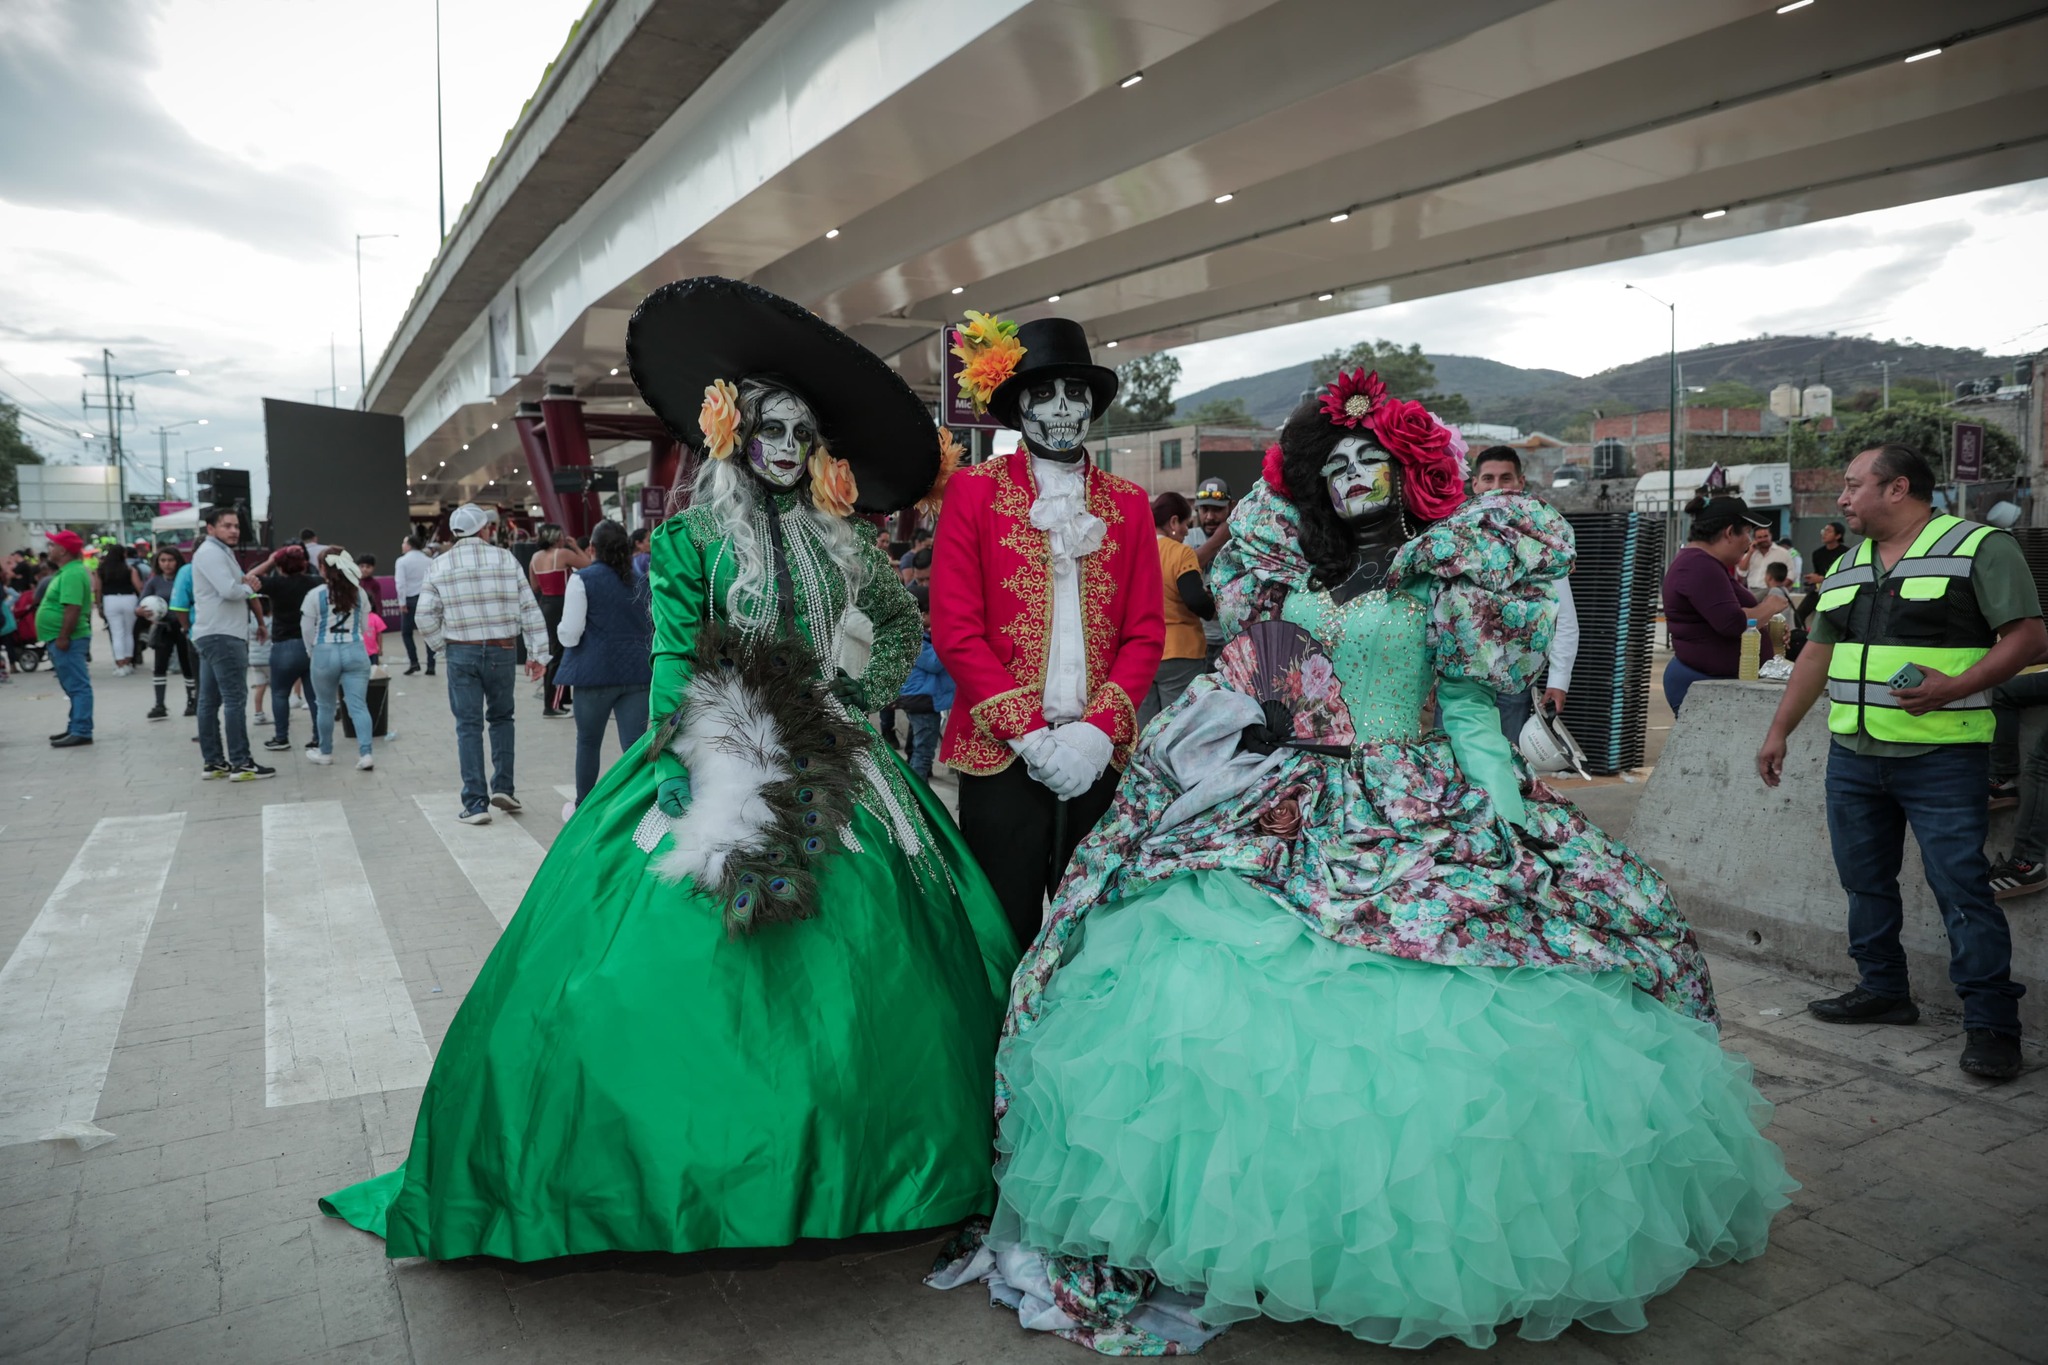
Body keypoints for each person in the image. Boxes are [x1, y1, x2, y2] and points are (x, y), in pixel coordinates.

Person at [934, 371, 1792, 1351]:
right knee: (1189, 967)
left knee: (1473, 1002)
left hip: (1421, 797)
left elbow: (1470, 711)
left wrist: (1501, 810)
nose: (1349, 475)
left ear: (1408, 471)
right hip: (1294, 800)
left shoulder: (1447, 585)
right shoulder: (1289, 581)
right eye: (1332, 463)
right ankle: (1237, 1231)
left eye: (1368, 459)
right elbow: (1262, 695)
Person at [320, 274, 1016, 1265]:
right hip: (721, 753)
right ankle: (679, 1178)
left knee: (883, 972)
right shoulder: (691, 539)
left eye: (799, 433)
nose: (784, 447)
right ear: (735, 437)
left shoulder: (845, 540)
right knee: (648, 970)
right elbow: (674, 650)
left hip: (842, 770)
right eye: (768, 429)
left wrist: (855, 698)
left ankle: (868, 1170)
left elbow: (899, 620)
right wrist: (680, 747)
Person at [1757, 443, 2040, 1081]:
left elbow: (2028, 636)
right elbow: (1816, 655)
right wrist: (1779, 731)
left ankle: (1993, 1024)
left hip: (1941, 754)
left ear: (1897, 488)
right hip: (1853, 753)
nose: (1842, 498)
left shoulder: (1978, 546)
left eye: (1854, 485)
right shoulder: (1850, 562)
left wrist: (1952, 687)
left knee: (1962, 888)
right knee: (1864, 882)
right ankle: (1883, 989)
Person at [932, 310, 1166, 946]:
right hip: (1002, 757)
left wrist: (1096, 735)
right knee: (1001, 929)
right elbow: (955, 628)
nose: (1063, 408)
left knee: (1090, 930)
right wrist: (1033, 740)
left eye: (1075, 393)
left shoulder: (1129, 503)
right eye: (1044, 393)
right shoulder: (973, 493)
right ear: (1018, 407)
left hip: (1098, 756)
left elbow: (1145, 632)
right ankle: (1001, 1044)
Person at [415, 505, 548, 823]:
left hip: (462, 651)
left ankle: (475, 804)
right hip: (502, 651)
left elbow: (424, 616)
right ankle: (504, 787)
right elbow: (528, 608)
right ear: (485, 529)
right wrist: (537, 654)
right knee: (502, 718)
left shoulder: (439, 564)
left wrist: (441, 648)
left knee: (468, 727)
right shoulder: (505, 558)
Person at [1470, 446, 1579, 738]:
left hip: (1513, 681)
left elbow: (1562, 616)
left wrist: (1559, 680)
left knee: (1506, 769)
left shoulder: (1540, 543)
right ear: (1475, 484)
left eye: (1505, 479)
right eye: (1488, 479)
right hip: (1460, 683)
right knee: (1451, 775)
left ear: (1520, 483)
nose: (1496, 487)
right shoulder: (1455, 537)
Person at [553, 519, 653, 813]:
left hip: (593, 674)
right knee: (634, 747)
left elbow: (570, 633)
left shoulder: (582, 579)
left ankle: (583, 807)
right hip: (637, 673)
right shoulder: (641, 580)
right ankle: (639, 808)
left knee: (588, 742)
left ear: (592, 548)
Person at [1661, 496, 1789, 712]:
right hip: (1703, 687)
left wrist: (1764, 626)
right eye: (1747, 532)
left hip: (1715, 685)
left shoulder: (1706, 564)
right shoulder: (1699, 566)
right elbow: (1732, 622)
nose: (1750, 543)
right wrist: (1770, 606)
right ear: (1729, 532)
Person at [191, 507, 277, 780]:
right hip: (224, 635)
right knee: (234, 699)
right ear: (210, 528)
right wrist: (250, 586)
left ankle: (214, 762)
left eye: (236, 526)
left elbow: (238, 582)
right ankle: (241, 762)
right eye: (226, 525)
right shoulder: (211, 553)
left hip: (213, 633)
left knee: (209, 701)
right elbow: (230, 590)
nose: (233, 530)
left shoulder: (219, 552)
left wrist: (246, 584)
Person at [1140, 491, 1214, 730]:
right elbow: (1194, 599)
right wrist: (1212, 605)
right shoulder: (1180, 553)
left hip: (1141, 652)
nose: (1186, 531)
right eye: (1185, 523)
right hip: (1181, 654)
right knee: (1177, 730)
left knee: (1146, 728)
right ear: (1173, 522)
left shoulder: (1133, 551)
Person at [301, 547, 378, 770]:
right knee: (358, 706)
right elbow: (365, 626)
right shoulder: (359, 593)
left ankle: (325, 752)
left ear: (323, 569)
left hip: (324, 650)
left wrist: (311, 651)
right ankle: (366, 754)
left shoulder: (315, 595)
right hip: (354, 649)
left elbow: (306, 629)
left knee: (324, 706)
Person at [39, 530, 95, 747]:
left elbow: (73, 607)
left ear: (63, 550)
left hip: (68, 639)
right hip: (61, 637)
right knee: (72, 685)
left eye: (52, 545)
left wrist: (63, 636)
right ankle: (76, 726)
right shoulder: (67, 571)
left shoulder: (72, 573)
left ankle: (81, 730)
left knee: (78, 685)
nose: (49, 549)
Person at [528, 523, 589, 718]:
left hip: (545, 604)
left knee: (553, 652)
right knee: (560, 654)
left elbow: (535, 586)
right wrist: (576, 547)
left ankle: (560, 700)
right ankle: (552, 705)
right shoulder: (562, 554)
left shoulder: (535, 558)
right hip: (562, 603)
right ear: (557, 538)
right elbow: (589, 565)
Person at [895, 585, 954, 781]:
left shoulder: (913, 634)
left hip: (920, 700)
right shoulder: (912, 637)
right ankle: (918, 799)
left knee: (920, 749)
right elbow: (935, 663)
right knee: (923, 753)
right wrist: (946, 634)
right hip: (922, 702)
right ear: (921, 614)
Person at [139, 547, 196, 720]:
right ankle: (159, 705)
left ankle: (192, 701)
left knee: (188, 665)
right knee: (159, 666)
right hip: (163, 628)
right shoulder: (154, 582)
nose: (167, 564)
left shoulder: (185, 578)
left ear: (178, 561)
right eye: (163, 560)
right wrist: (143, 612)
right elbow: (141, 605)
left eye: (170, 560)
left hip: (183, 626)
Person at [1186, 477, 1234, 667]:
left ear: (1231, 506)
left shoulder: (1241, 538)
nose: (1210, 517)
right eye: (1205, 509)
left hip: (1232, 639)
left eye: (1217, 509)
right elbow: (1186, 567)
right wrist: (1218, 539)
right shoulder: (1189, 537)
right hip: (1199, 639)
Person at [394, 533, 435, 676]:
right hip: (426, 599)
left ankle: (414, 662)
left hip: (410, 600)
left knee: (407, 633)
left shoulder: (402, 561)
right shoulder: (429, 561)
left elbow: (400, 583)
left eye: (404, 543)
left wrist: (402, 602)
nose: (402, 546)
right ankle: (431, 665)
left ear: (409, 545)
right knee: (428, 632)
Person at [96, 542, 139, 676]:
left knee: (117, 633)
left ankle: (120, 664)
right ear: (123, 554)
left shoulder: (101, 569)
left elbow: (98, 589)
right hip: (129, 599)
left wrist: (99, 605)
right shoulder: (130, 569)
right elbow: (139, 586)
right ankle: (128, 662)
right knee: (128, 633)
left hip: (110, 600)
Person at [1797, 519, 1849, 629]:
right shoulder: (1817, 553)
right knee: (1798, 613)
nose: (1824, 533)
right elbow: (1818, 572)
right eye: (1824, 530)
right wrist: (1813, 578)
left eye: (1829, 531)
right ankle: (1801, 638)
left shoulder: (1846, 553)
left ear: (1838, 536)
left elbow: (1846, 576)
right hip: (1819, 590)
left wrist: (1822, 578)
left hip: (1838, 591)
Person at [1739, 522, 1794, 594]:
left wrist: (1777, 590)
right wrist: (1750, 552)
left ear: (1770, 536)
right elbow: (1742, 571)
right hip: (1751, 591)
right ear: (1754, 539)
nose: (1763, 539)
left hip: (1772, 591)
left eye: (1765, 536)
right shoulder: (1751, 553)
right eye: (1759, 537)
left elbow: (1791, 575)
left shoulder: (1783, 553)